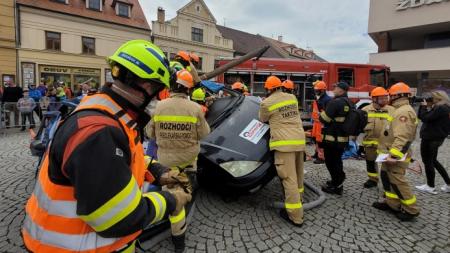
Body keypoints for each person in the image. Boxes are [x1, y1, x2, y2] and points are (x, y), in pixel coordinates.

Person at [22, 40, 191, 253]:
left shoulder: (108, 111)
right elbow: (119, 218)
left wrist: (157, 171)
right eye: (161, 92)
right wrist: (170, 200)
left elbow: (121, 159)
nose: (160, 99)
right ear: (147, 86)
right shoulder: (99, 132)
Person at [147, 69, 210, 252]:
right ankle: (179, 241)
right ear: (188, 90)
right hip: (189, 160)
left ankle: (177, 235)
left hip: (167, 162)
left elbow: (150, 134)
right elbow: (205, 133)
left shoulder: (159, 107)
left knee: (174, 195)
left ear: (172, 86)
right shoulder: (195, 108)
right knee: (179, 201)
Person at [259, 76, 305, 227]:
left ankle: (295, 215)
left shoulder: (266, 103)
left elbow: (262, 119)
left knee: (288, 178)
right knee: (298, 175)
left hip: (284, 145)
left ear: (268, 89)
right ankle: (299, 200)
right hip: (299, 141)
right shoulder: (292, 97)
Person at [373, 82, 420, 221]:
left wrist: (394, 155)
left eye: (391, 95)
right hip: (388, 153)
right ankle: (392, 203)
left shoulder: (403, 111)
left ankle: (411, 210)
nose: (388, 98)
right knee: (387, 178)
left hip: (394, 156)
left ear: (398, 96)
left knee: (398, 181)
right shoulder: (399, 109)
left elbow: (403, 137)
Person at [319, 82, 352, 195]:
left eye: (336, 88)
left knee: (331, 161)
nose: (334, 89)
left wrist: (322, 113)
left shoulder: (335, 102)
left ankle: (336, 186)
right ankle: (336, 181)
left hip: (332, 139)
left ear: (342, 90)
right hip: (342, 139)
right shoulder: (349, 102)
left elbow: (324, 119)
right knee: (337, 160)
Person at [416, 90, 450, 194]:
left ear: (438, 98)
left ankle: (430, 186)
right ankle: (449, 184)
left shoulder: (440, 108)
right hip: (437, 137)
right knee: (433, 161)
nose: (431, 99)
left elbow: (425, 118)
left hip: (431, 138)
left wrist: (423, 106)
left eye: (433, 97)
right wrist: (428, 107)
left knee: (428, 161)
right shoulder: (446, 107)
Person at [361, 87, 395, 188]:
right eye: (382, 98)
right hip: (369, 143)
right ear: (374, 99)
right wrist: (354, 142)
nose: (385, 100)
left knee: (387, 166)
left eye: (386, 98)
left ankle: (389, 186)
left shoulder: (392, 110)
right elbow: (359, 127)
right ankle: (372, 180)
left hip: (385, 145)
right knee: (370, 162)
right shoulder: (365, 110)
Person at [311, 81, 331, 164]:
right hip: (316, 122)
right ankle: (316, 153)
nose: (316, 92)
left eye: (317, 90)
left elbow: (327, 113)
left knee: (320, 141)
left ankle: (321, 157)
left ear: (322, 91)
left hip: (321, 124)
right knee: (316, 139)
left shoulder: (327, 100)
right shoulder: (319, 98)